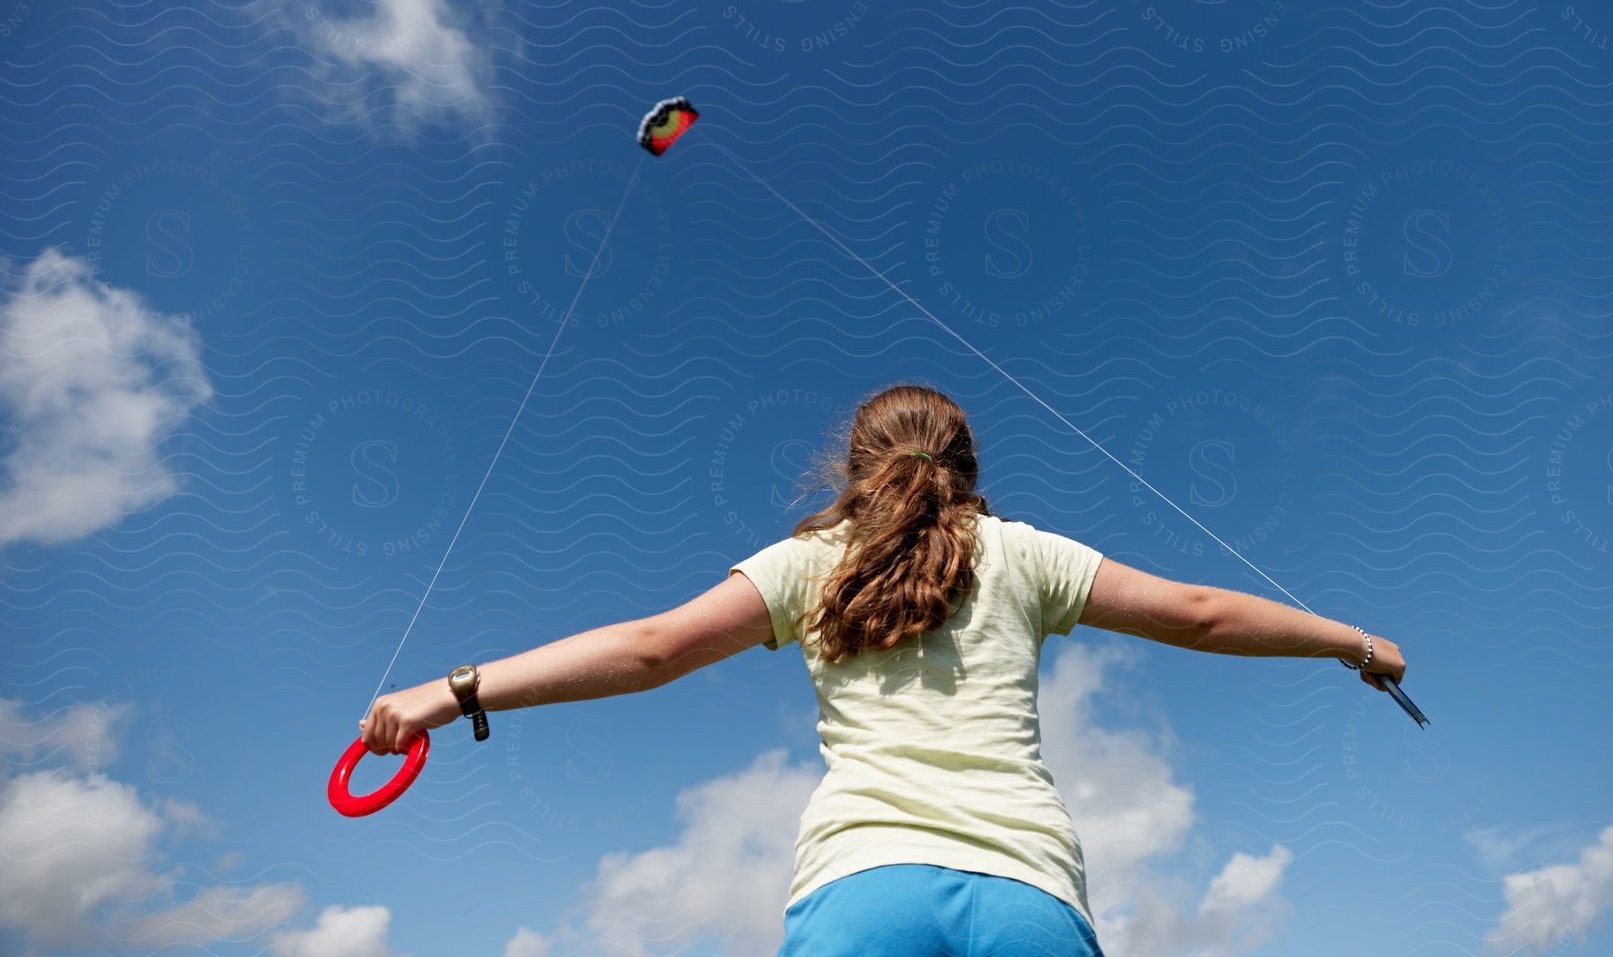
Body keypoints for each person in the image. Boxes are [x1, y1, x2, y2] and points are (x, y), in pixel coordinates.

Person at [358, 382, 1405, 957]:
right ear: (971, 473)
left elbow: (649, 649)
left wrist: (448, 695)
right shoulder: (1025, 553)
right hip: (1031, 898)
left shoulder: (812, 563)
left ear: (853, 472)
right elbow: (1202, 613)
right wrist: (1355, 642)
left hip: (863, 893)